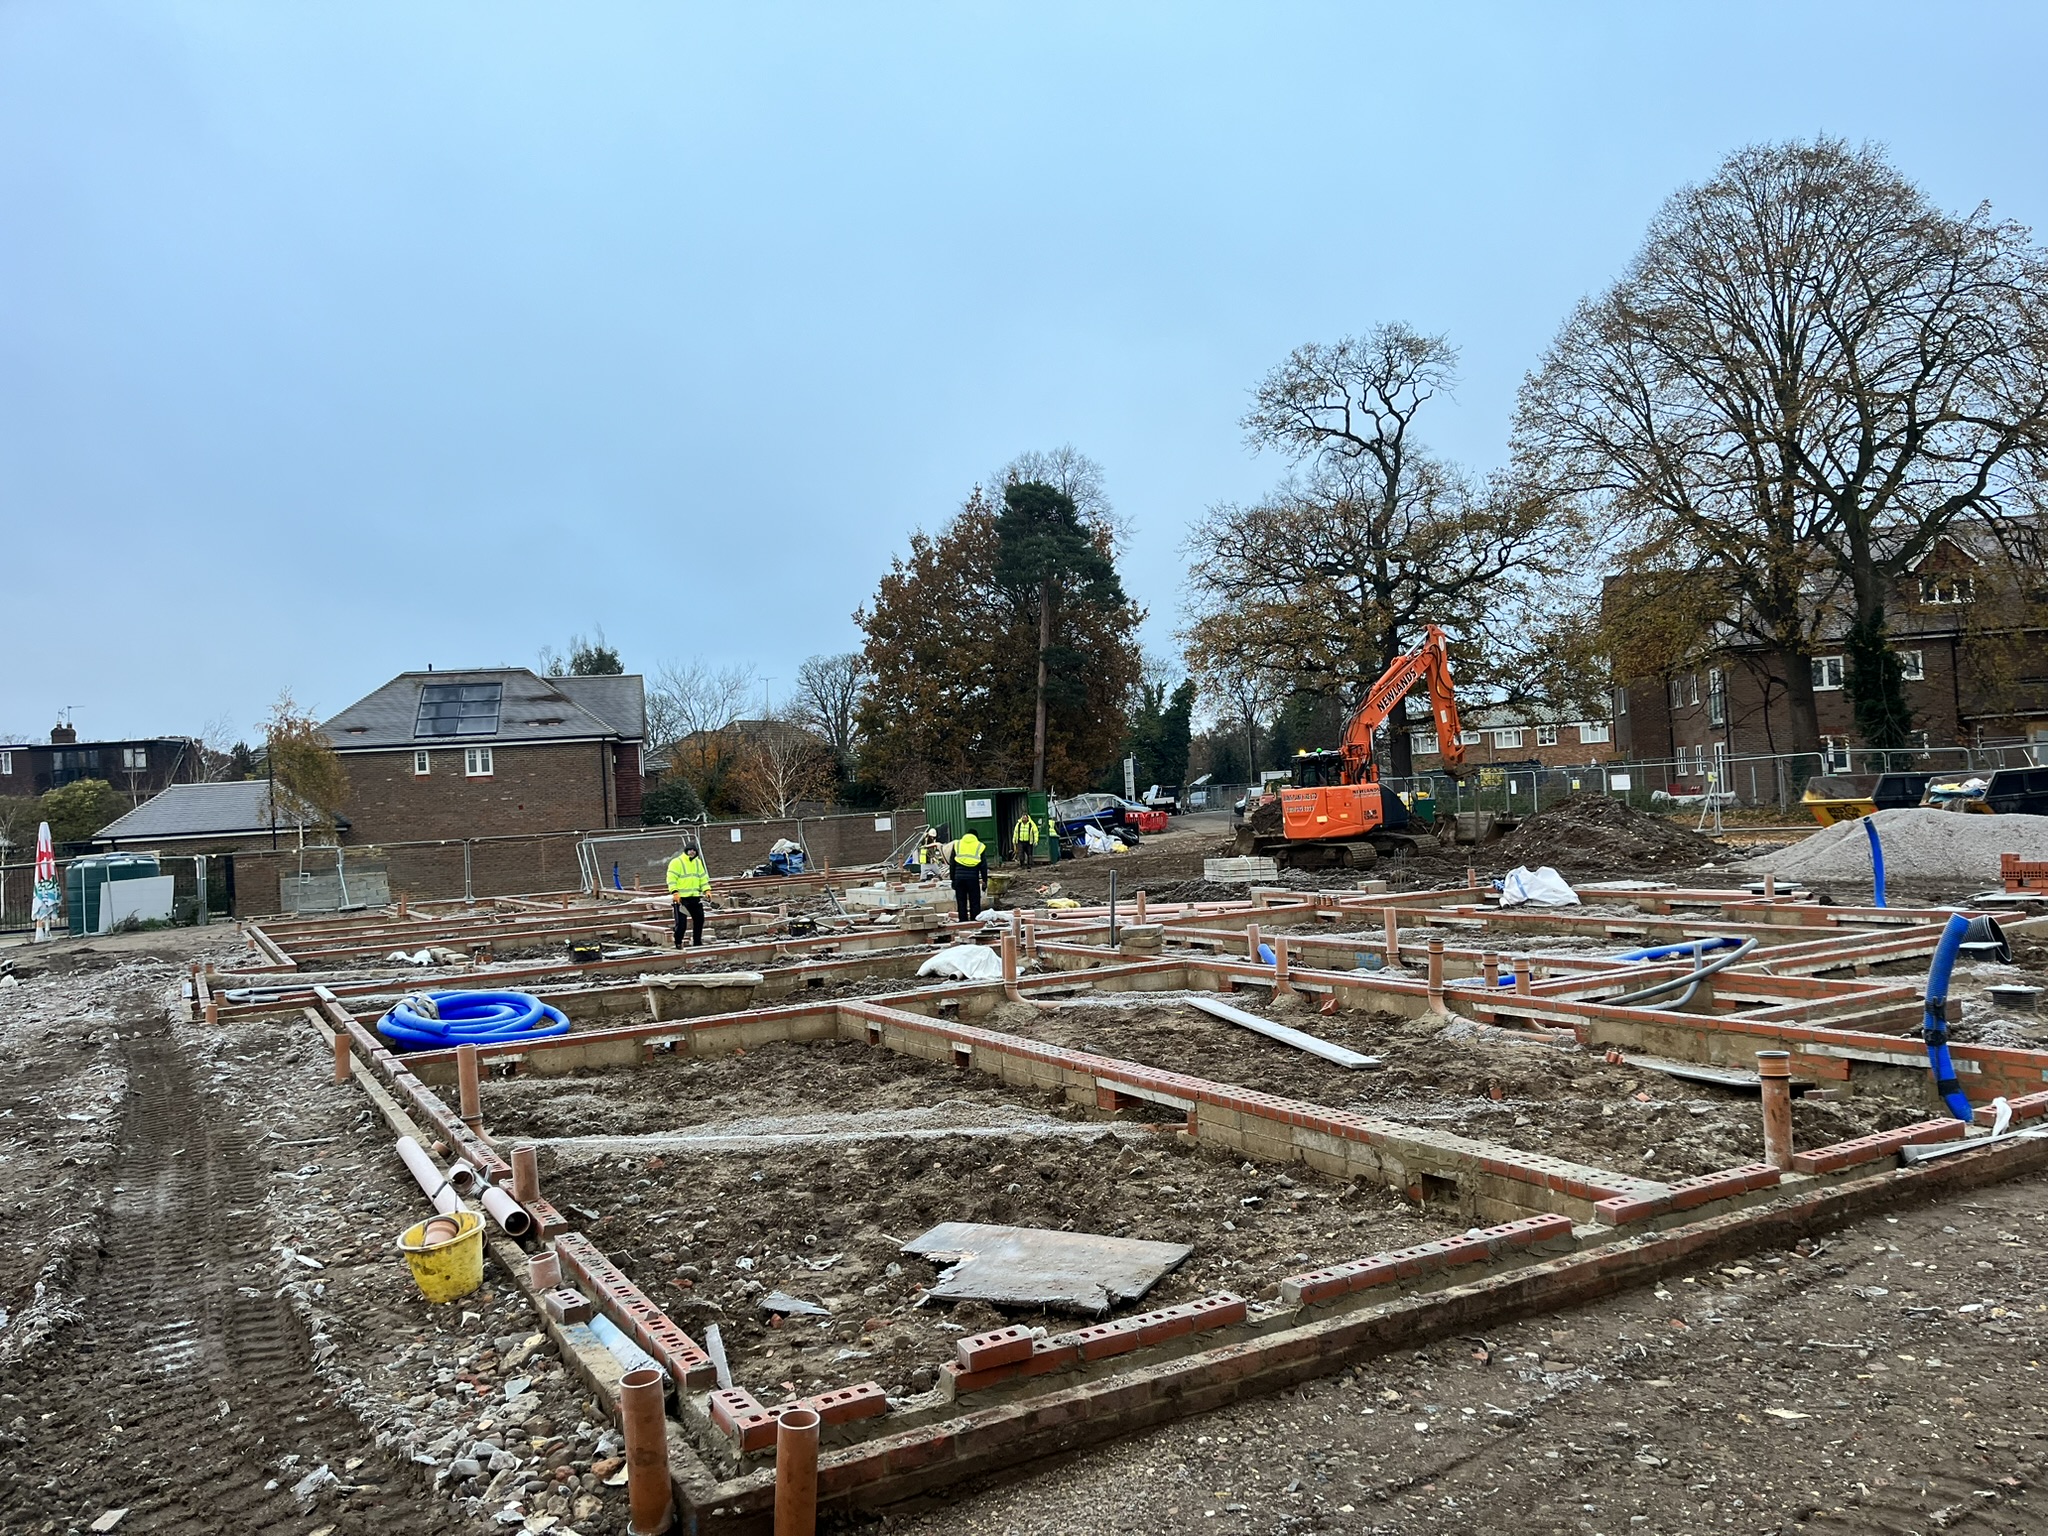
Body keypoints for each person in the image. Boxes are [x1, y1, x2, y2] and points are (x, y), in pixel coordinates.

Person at [665, 834, 710, 948]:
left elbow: (703, 878)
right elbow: (671, 878)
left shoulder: (697, 863)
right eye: (689, 850)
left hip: (694, 897)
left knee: (699, 920)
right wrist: (674, 892)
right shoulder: (677, 862)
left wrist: (707, 890)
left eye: (693, 851)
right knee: (682, 924)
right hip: (682, 899)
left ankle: (697, 942)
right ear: (686, 851)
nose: (691, 852)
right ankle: (678, 942)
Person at [949, 827, 988, 921]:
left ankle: (963, 923)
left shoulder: (957, 844)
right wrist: (984, 880)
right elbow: (983, 866)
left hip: (959, 878)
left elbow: (952, 863)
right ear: (976, 837)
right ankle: (975, 922)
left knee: (961, 902)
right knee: (974, 902)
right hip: (972, 878)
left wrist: (953, 879)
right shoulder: (979, 846)